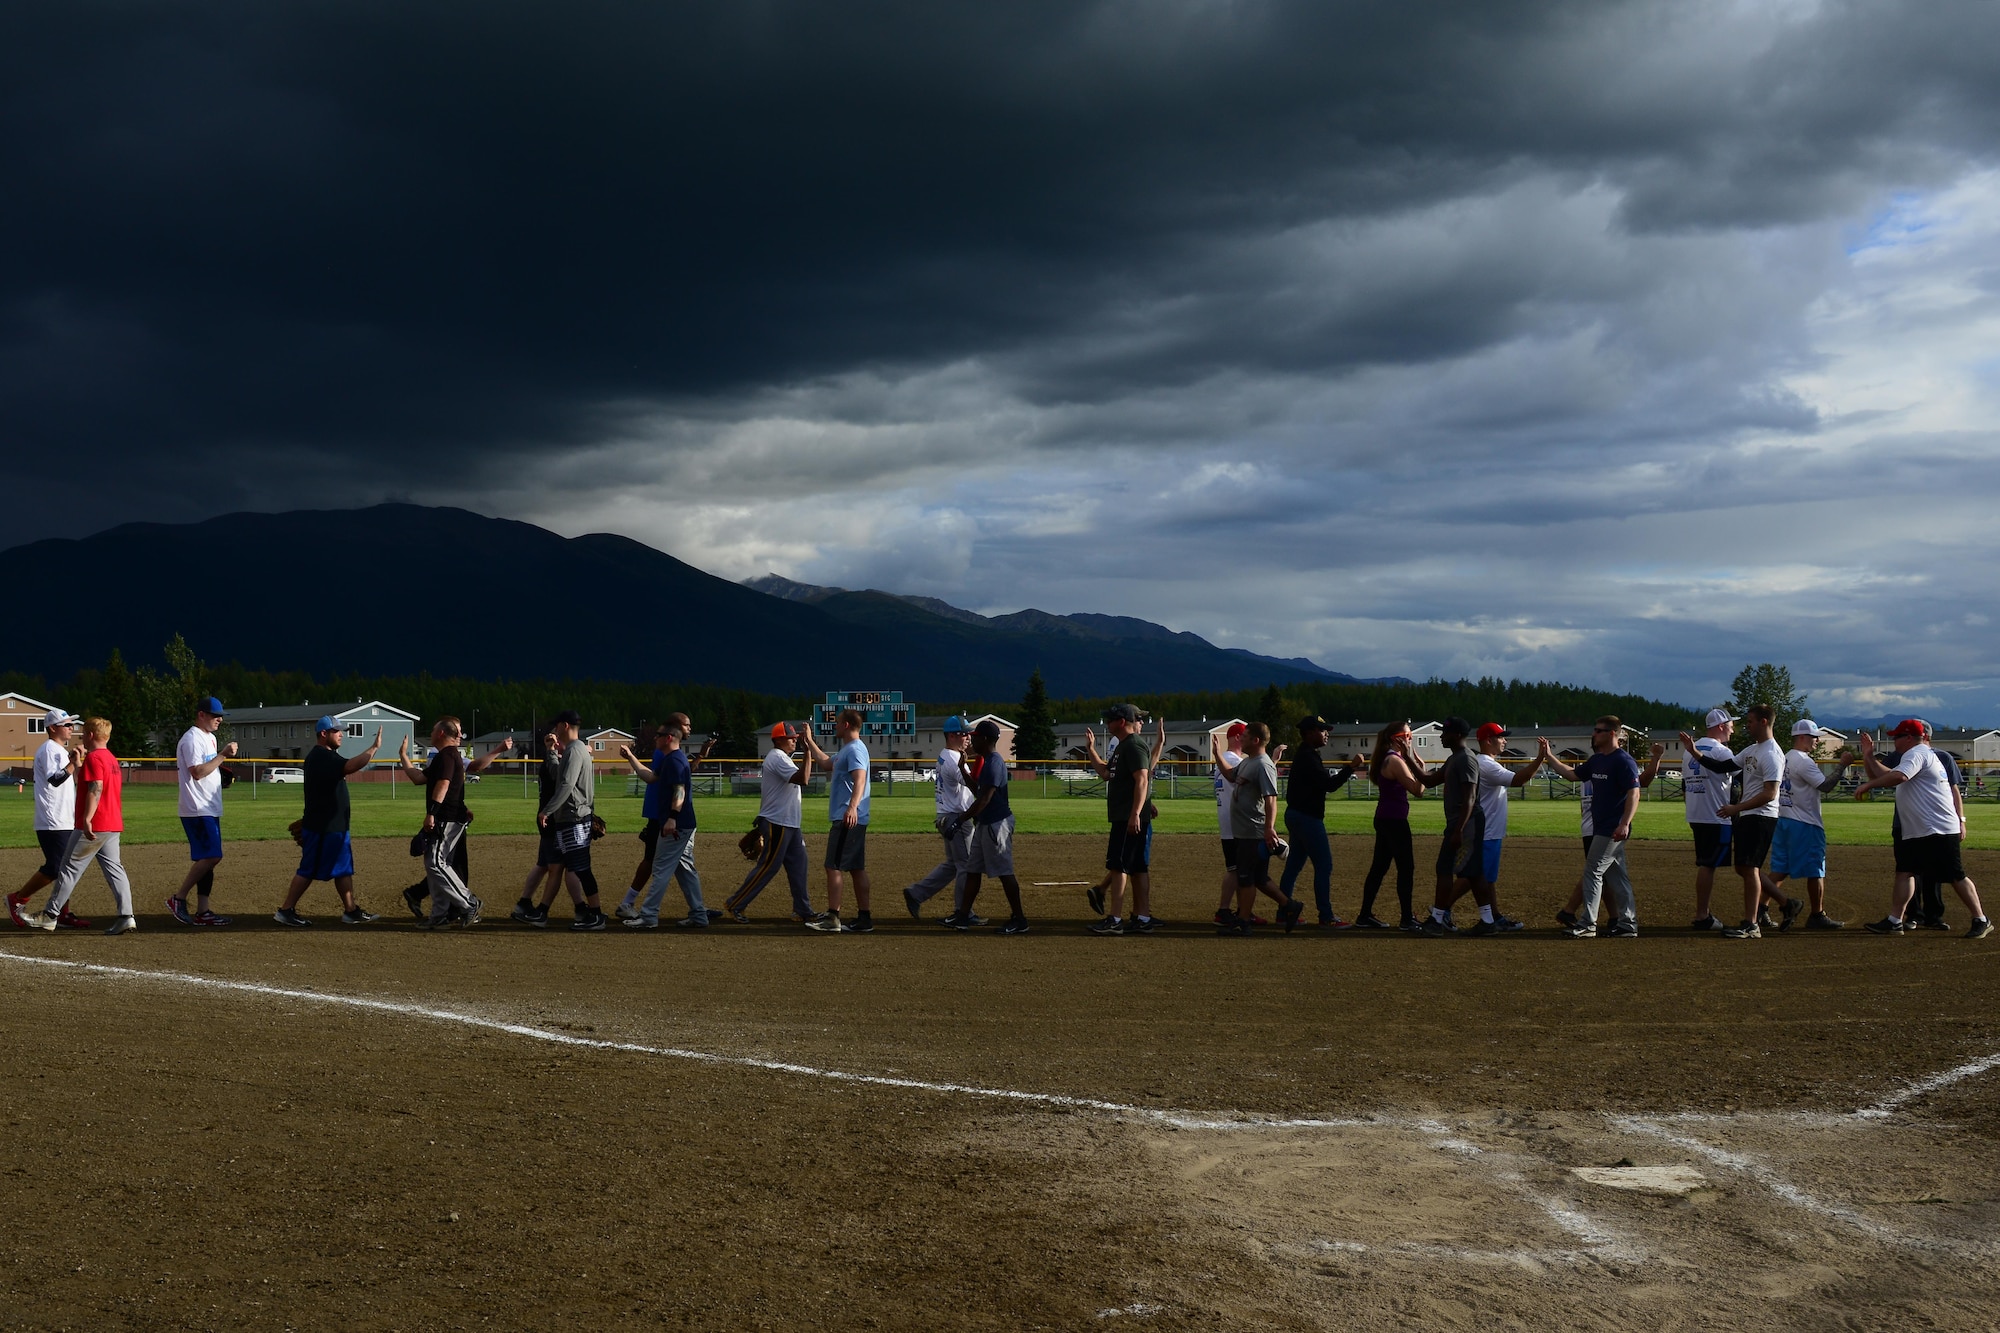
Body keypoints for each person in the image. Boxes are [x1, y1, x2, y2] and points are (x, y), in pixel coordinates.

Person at [1855, 720, 1990, 938]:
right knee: (1905, 872)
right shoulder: (1918, 754)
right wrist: (1869, 756)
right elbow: (1887, 774)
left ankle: (1981, 919)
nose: (1894, 741)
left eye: (1897, 737)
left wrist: (1868, 785)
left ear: (1909, 737)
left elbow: (1899, 777)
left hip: (1938, 828)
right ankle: (1895, 920)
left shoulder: (1917, 753)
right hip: (1919, 829)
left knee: (1955, 875)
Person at [1679, 704, 1799, 939]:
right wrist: (1694, 752)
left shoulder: (1772, 753)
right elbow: (1723, 766)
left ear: (1764, 722)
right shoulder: (1752, 749)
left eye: (1751, 721)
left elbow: (1770, 793)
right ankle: (1784, 905)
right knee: (1744, 867)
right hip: (1748, 815)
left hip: (1761, 816)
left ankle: (1751, 924)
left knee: (1749, 867)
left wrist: (1737, 807)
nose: (1746, 726)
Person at [1424, 723, 1544, 936]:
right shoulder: (1485, 764)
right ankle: (1441, 912)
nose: (1504, 741)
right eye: (1500, 737)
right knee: (1473, 875)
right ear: (1488, 740)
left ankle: (1493, 917)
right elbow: (1518, 780)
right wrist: (1540, 758)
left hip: (1488, 830)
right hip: (1484, 831)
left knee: (1485, 877)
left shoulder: (1484, 762)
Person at [28, 717, 138, 935]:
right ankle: (127, 916)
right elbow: (93, 782)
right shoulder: (110, 758)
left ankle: (50, 915)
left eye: (83, 733)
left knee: (68, 869)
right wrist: (78, 765)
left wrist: (87, 818)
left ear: (90, 736)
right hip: (112, 823)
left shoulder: (95, 758)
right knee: (115, 870)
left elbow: (95, 788)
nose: (80, 737)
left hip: (94, 824)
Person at [274, 718, 385, 926]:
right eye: (337, 731)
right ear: (324, 733)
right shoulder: (320, 756)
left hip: (334, 826)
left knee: (343, 869)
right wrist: (374, 748)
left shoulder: (329, 756)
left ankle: (350, 910)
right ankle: (285, 910)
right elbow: (352, 766)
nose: (341, 734)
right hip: (322, 827)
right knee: (308, 869)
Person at [1544, 717, 1644, 938]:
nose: (1594, 734)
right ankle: (1628, 924)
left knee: (1592, 872)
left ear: (1611, 734)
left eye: (1598, 731)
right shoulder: (1598, 760)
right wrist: (1549, 757)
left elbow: (1634, 793)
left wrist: (1625, 823)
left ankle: (1588, 924)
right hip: (1603, 827)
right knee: (1618, 877)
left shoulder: (1623, 761)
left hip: (1612, 828)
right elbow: (1572, 775)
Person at [1554, 733, 1663, 930]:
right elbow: (1642, 783)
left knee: (1598, 872)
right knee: (1600, 873)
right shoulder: (1604, 763)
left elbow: (1637, 788)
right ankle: (1614, 920)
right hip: (1598, 826)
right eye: (1621, 741)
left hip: (1599, 826)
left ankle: (1604, 919)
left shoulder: (1602, 763)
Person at [404, 735, 518, 919]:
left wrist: (463, 807)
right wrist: (498, 750)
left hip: (452, 813)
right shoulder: (445, 754)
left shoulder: (446, 754)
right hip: (447, 817)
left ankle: (438, 907)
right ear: (445, 734)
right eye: (457, 732)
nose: (460, 736)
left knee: (443, 861)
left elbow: (445, 784)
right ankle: (462, 906)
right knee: (446, 863)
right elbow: (471, 769)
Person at [617, 726, 719, 921]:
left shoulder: (675, 760)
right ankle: (698, 915)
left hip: (678, 824)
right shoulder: (670, 759)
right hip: (681, 822)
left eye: (659, 735)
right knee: (685, 870)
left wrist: (672, 817)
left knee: (661, 869)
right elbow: (650, 777)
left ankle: (648, 916)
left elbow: (679, 790)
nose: (655, 737)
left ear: (669, 738)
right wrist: (630, 757)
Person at [723, 723, 821, 923]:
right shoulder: (776, 757)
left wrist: (806, 750)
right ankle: (735, 904)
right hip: (778, 823)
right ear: (778, 740)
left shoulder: (784, 758)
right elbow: (803, 779)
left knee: (799, 865)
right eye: (790, 737)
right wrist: (808, 751)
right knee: (768, 866)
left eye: (795, 737)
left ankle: (802, 909)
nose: (794, 739)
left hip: (791, 824)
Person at [1275, 715, 1361, 929]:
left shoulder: (1305, 755)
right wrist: (1351, 767)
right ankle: (1326, 916)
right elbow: (1329, 785)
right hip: (1307, 818)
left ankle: (1284, 912)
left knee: (1294, 865)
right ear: (1310, 732)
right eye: (1322, 730)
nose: (1326, 734)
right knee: (1324, 865)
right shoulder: (1309, 757)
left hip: (1296, 814)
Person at [1769, 720, 1854, 931]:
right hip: (1805, 821)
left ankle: (1761, 909)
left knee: (1780, 869)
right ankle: (1817, 914)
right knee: (1816, 868)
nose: (1817, 741)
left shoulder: (1785, 757)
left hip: (1784, 818)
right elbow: (1825, 786)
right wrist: (1842, 765)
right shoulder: (1803, 761)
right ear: (1802, 737)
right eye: (1814, 736)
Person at [9, 709, 84, 929]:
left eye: (72, 724)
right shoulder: (50, 749)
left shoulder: (58, 749)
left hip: (64, 818)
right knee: (55, 867)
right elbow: (55, 779)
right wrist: (73, 763)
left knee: (66, 868)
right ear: (52, 728)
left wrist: (74, 762)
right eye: (66, 725)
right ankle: (18, 899)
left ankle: (61, 912)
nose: (71, 728)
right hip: (53, 820)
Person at [1216, 722, 1293, 935]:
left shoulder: (1263, 764)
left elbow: (1271, 799)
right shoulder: (1249, 761)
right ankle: (1290, 906)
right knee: (1258, 877)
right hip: (1244, 831)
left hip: (1253, 830)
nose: (1241, 739)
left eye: (1246, 736)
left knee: (1246, 877)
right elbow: (1230, 775)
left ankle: (1243, 922)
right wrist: (1216, 754)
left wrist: (1269, 828)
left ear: (1256, 740)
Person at [1086, 704, 1157, 935]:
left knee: (1119, 866)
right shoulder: (1124, 746)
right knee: (1136, 867)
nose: (1107, 723)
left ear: (1121, 721)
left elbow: (1142, 780)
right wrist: (1090, 750)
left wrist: (1135, 813)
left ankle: (1115, 919)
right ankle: (1143, 918)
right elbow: (1107, 774)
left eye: (1111, 719)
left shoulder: (1134, 745)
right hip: (1127, 816)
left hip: (1128, 818)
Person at [170, 696, 238, 927]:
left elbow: (207, 772)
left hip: (208, 806)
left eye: (220, 715)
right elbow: (197, 772)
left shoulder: (209, 737)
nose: (219, 719)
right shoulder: (191, 739)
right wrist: (223, 756)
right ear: (201, 715)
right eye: (214, 715)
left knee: (207, 860)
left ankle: (203, 911)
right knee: (213, 856)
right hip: (196, 809)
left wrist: (221, 776)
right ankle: (178, 898)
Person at [955, 719, 1029, 934]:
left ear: (985, 739)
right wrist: (963, 769)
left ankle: (1019, 919)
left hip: (997, 824)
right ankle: (962, 916)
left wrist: (961, 819)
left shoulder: (995, 762)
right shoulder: (987, 761)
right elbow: (979, 790)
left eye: (976, 737)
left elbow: (984, 799)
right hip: (986, 824)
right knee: (973, 870)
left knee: (1005, 873)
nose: (972, 741)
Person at [537, 710, 605, 930]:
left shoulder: (575, 750)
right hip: (572, 816)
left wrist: (547, 810)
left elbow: (566, 784)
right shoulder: (574, 750)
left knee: (582, 868)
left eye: (557, 726)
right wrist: (551, 752)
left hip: (575, 816)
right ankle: (591, 914)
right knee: (579, 867)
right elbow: (559, 777)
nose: (555, 730)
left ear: (565, 726)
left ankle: (595, 915)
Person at [903, 717, 975, 922]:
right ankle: (963, 912)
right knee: (966, 866)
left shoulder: (947, 755)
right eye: (964, 734)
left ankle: (916, 893)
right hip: (957, 817)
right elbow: (972, 784)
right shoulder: (953, 759)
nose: (968, 737)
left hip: (946, 815)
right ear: (952, 735)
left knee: (953, 864)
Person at [810, 710, 875, 932]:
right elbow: (827, 763)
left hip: (848, 817)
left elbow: (860, 779)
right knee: (856, 868)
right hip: (853, 816)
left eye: (837, 723)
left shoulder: (855, 749)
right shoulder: (848, 749)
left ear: (846, 725)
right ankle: (864, 918)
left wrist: (851, 807)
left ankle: (833, 917)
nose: (835, 726)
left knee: (833, 866)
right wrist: (809, 741)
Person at [1356, 723, 1425, 931]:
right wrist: (1420, 768)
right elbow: (1418, 790)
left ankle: (1364, 915)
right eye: (1407, 735)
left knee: (1379, 868)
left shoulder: (1388, 757)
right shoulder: (1395, 760)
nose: (1410, 739)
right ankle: (1406, 918)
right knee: (1406, 868)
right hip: (1394, 821)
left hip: (1385, 818)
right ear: (1397, 739)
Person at [1679, 709, 1741, 931]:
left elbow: (1685, 785)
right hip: (1716, 814)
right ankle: (1702, 915)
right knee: (1708, 865)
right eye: (1731, 725)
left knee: (1706, 863)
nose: (1733, 729)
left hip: (1696, 813)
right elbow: (1740, 778)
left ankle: (1702, 913)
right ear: (1722, 726)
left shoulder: (1689, 752)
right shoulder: (1721, 751)